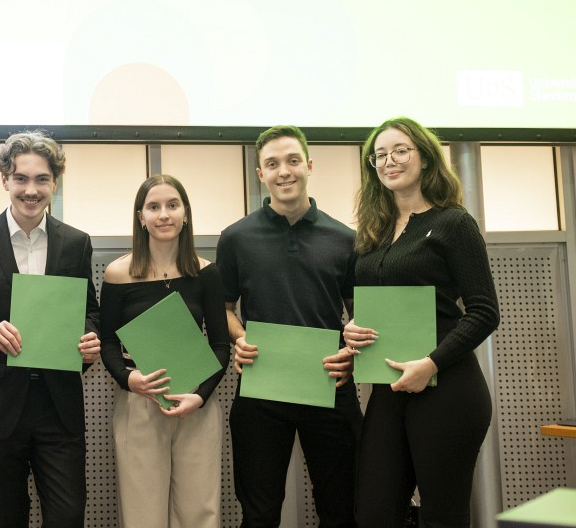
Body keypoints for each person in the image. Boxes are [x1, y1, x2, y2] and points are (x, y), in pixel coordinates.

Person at [343, 117, 500, 527]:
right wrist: (353, 327)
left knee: (443, 515)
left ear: (425, 158)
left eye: (400, 150)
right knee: (374, 513)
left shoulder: (453, 223)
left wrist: (429, 363)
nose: (389, 161)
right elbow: (379, 302)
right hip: (389, 388)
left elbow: (485, 312)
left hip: (446, 387)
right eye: (380, 156)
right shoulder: (374, 232)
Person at [0, 131, 101, 527]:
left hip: (58, 405)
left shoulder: (76, 243)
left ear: (55, 182)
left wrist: (88, 337)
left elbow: (91, 312)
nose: (31, 190)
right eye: (21, 179)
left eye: (42, 179)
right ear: (5, 180)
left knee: (67, 517)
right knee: (5, 517)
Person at [216, 125, 362, 528]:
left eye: (293, 161)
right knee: (259, 513)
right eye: (272, 164)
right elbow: (225, 308)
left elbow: (362, 315)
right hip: (262, 391)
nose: (284, 171)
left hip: (330, 386)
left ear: (309, 166)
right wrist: (240, 338)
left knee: (340, 509)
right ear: (260, 173)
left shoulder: (345, 238)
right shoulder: (236, 238)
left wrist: (353, 355)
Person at [100, 175, 229, 528]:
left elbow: (220, 345)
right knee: (142, 515)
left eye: (172, 205)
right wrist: (130, 379)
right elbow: (108, 343)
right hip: (139, 403)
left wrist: (200, 397)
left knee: (199, 513)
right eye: (153, 207)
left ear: (185, 214)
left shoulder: (206, 273)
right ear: (140, 217)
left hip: (196, 402)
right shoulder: (117, 274)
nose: (163, 215)